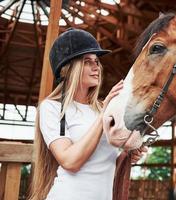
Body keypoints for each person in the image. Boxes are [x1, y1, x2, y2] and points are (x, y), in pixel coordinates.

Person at [29, 28, 147, 200]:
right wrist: (103, 116)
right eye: (87, 61)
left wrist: (127, 156)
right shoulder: (52, 108)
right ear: (68, 69)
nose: (96, 67)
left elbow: (104, 163)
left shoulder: (101, 109)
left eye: (96, 61)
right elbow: (70, 161)